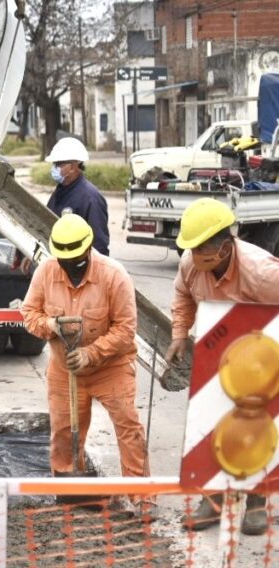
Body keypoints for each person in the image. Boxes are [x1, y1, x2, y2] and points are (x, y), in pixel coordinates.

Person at [165, 198, 279, 535]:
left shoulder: (262, 272)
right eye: (192, 248)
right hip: (216, 354)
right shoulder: (190, 265)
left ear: (225, 245)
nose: (194, 255)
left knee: (257, 426)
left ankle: (257, 501)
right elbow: (183, 297)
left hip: (261, 359)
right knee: (209, 424)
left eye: (201, 248)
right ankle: (212, 500)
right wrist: (178, 335)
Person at [20, 214, 148, 505]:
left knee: (128, 427)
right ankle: (69, 490)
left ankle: (143, 497)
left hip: (110, 367)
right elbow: (29, 314)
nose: (69, 269)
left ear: (88, 249)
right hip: (64, 370)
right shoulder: (46, 272)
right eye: (64, 262)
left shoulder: (113, 275)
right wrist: (50, 325)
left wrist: (91, 353)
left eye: (75, 261)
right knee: (64, 431)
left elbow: (126, 329)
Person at [45, 137, 110, 256]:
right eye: (54, 164)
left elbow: (99, 245)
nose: (54, 168)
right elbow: (46, 225)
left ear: (74, 166)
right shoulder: (60, 192)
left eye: (59, 164)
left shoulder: (91, 198)